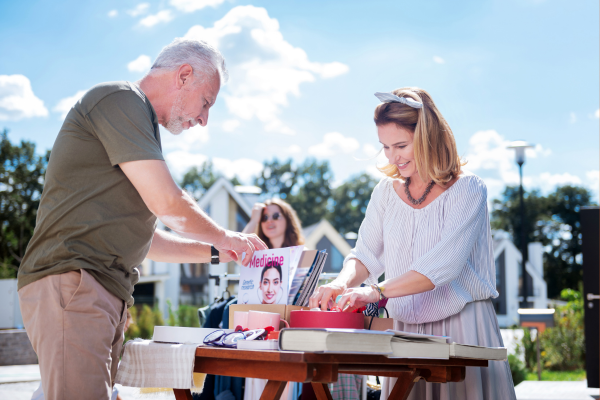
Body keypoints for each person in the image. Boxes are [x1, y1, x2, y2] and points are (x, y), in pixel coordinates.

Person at [17, 38, 267, 400]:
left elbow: (145, 239)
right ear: (183, 75)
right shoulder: (120, 99)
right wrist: (228, 237)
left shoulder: (136, 128)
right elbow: (168, 203)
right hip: (76, 282)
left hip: (95, 291)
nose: (203, 118)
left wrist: (217, 252)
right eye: (206, 102)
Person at [309, 88, 517, 400]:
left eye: (401, 145)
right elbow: (365, 253)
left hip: (462, 328)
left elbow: (442, 267)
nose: (392, 157)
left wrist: (376, 291)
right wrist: (341, 283)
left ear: (428, 137)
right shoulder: (384, 193)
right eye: (385, 147)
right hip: (404, 331)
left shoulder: (468, 189)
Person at [241, 198, 304, 400]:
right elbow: (239, 248)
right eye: (264, 217)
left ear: (288, 220)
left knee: (285, 388)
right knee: (256, 386)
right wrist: (254, 217)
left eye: (276, 216)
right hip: (258, 333)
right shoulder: (254, 255)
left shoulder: (303, 257)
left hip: (290, 333)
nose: (269, 221)